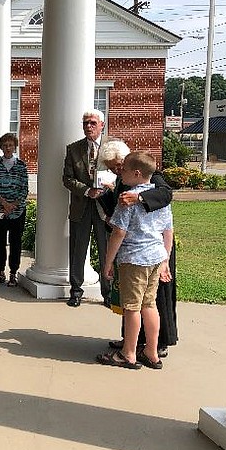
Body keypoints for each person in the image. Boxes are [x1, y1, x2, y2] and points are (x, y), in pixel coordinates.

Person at [97, 139, 177, 358]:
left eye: (119, 167)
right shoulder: (128, 184)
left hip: (135, 257)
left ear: (135, 170)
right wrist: (164, 259)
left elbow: (118, 231)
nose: (117, 171)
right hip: (157, 254)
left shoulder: (140, 192)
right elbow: (168, 229)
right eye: (113, 168)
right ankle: (150, 351)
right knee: (149, 305)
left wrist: (107, 262)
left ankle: (130, 353)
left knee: (132, 306)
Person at [62, 109, 108, 308]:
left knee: (107, 251)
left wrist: (106, 188)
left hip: (104, 208)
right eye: (85, 123)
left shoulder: (113, 146)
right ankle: (76, 291)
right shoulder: (73, 149)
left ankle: (107, 292)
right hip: (81, 207)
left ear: (101, 125)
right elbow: (67, 179)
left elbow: (121, 172)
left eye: (92, 123)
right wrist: (87, 190)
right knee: (77, 250)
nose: (88, 127)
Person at [0, 132, 28, 287]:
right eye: (5, 145)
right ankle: (1, 272)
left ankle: (13, 273)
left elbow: (24, 188)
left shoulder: (21, 166)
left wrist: (13, 205)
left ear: (15, 146)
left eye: (10, 145)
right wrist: (4, 203)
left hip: (17, 212)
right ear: (1, 147)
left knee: (15, 243)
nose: (8, 148)